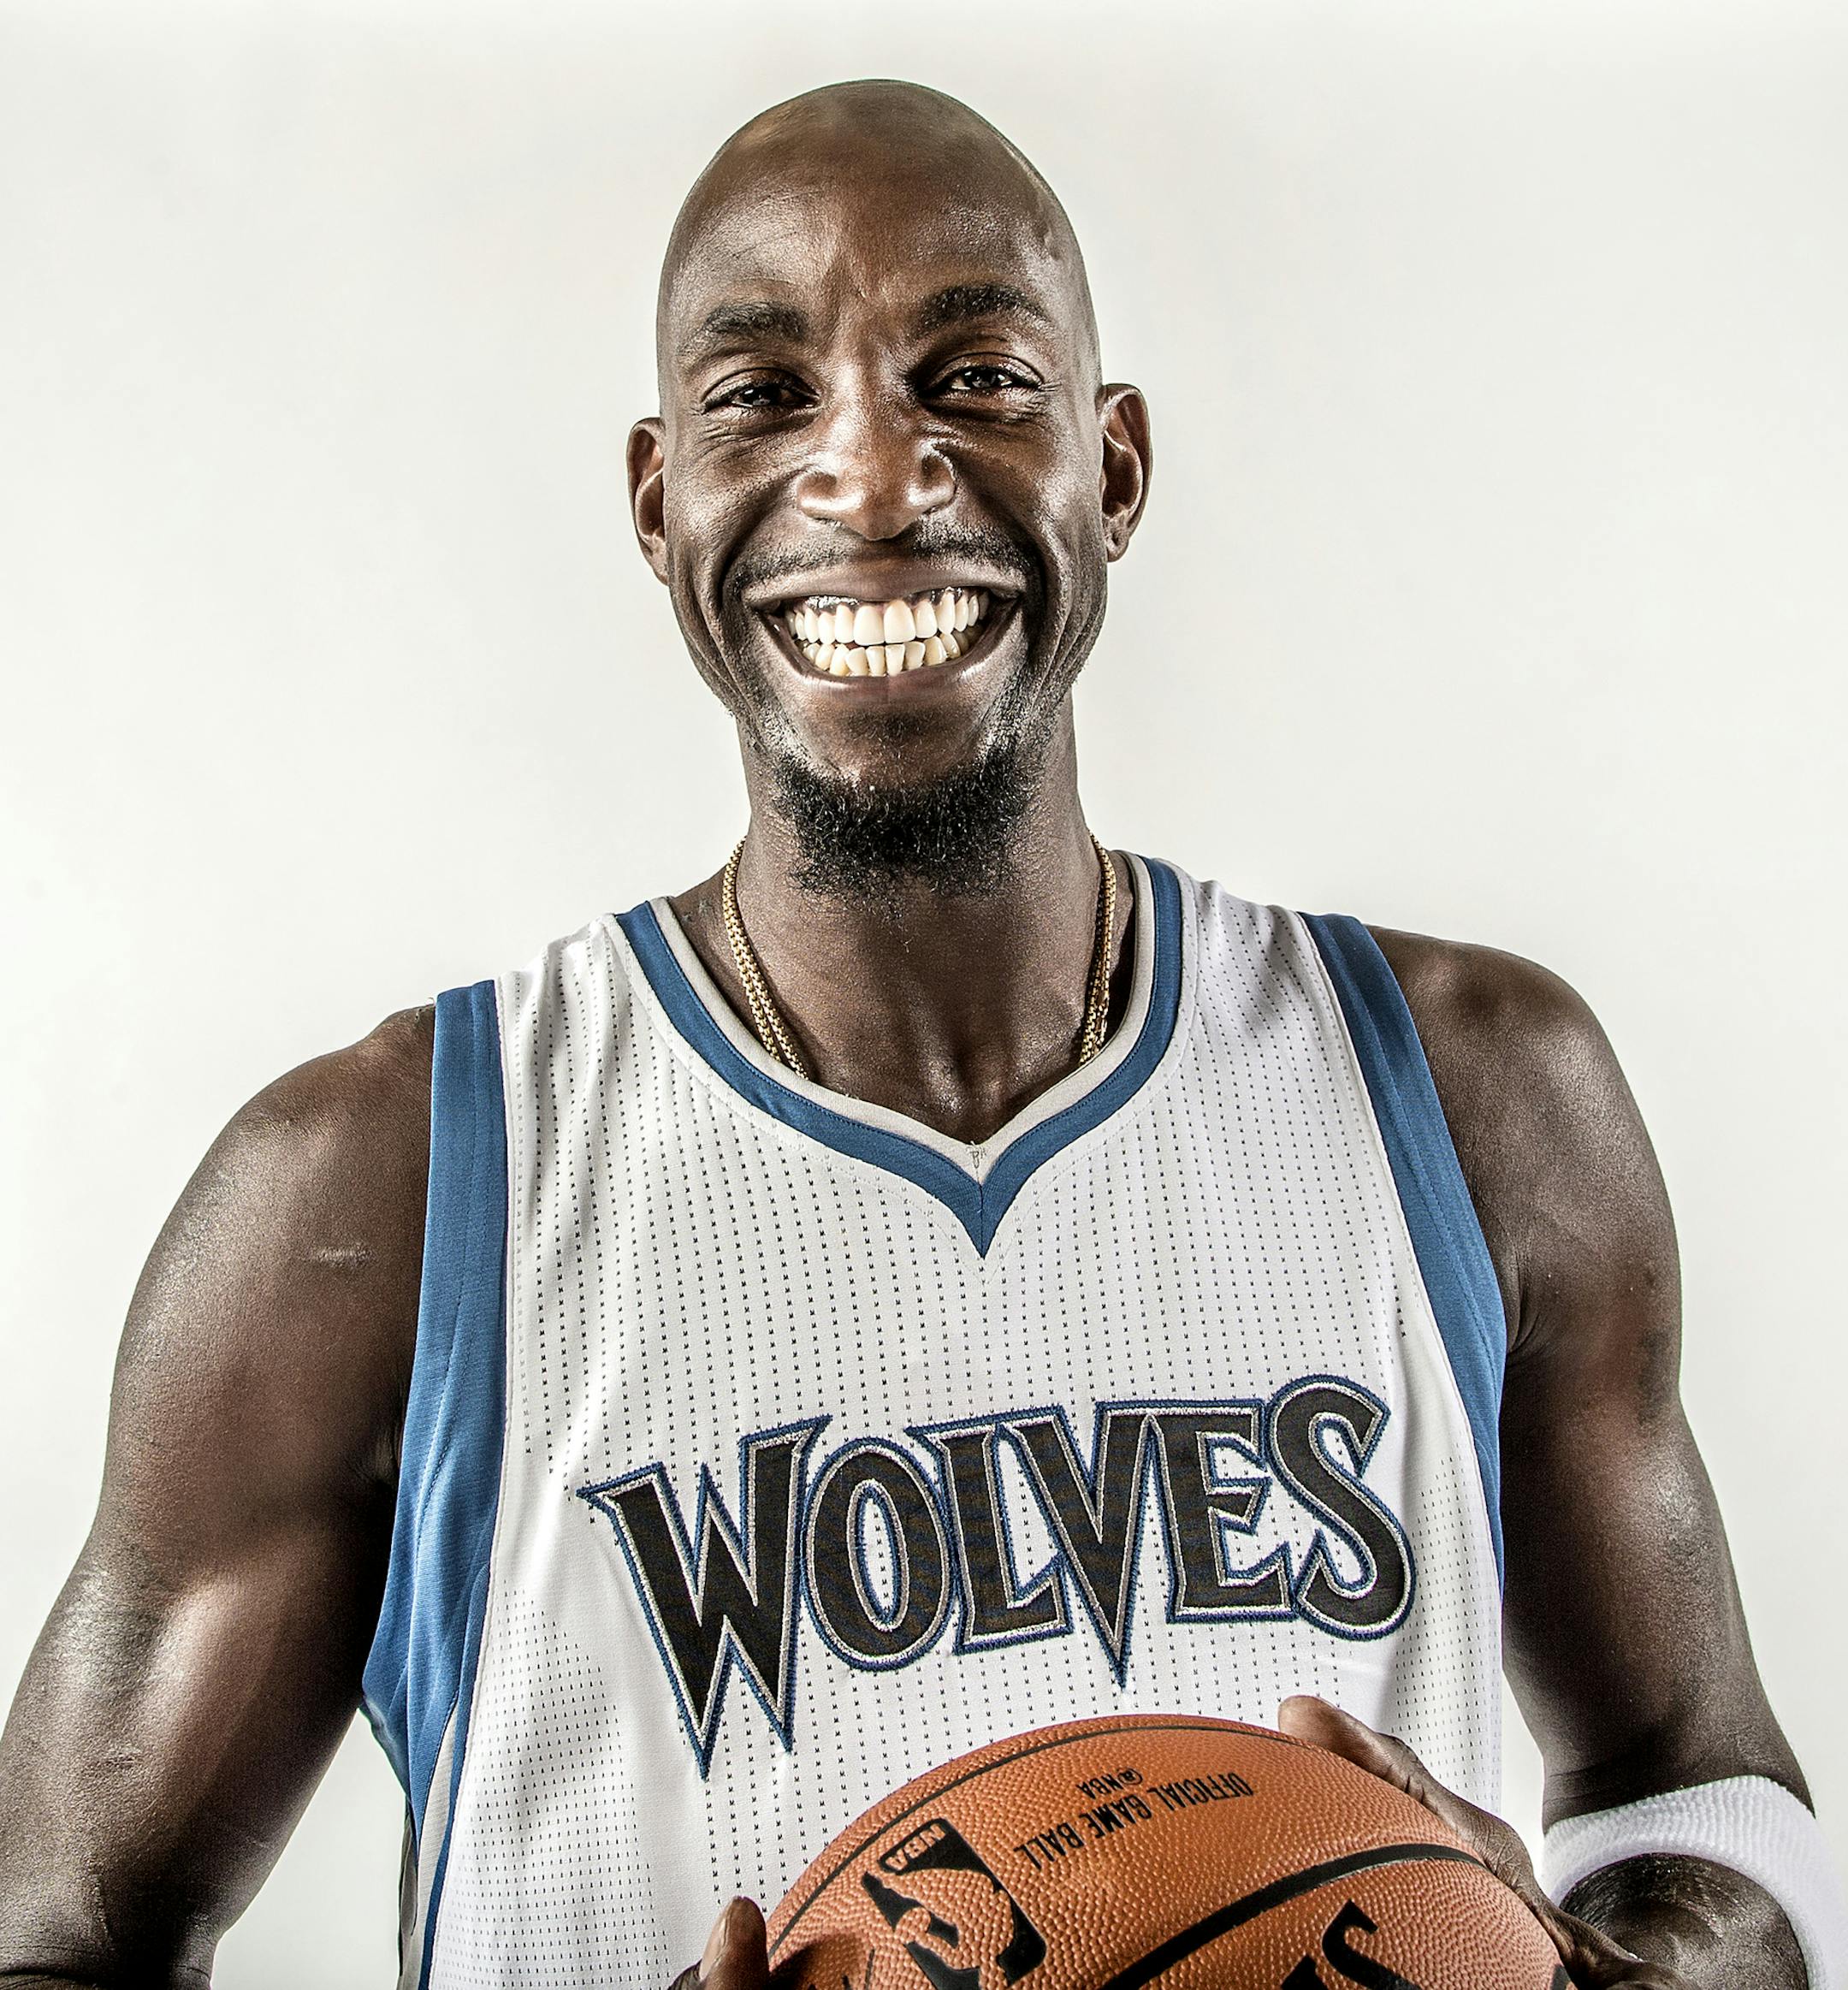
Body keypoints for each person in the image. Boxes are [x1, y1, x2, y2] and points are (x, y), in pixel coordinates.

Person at [0, 78, 1839, 1990]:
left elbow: (1700, 1788)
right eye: (764, 397)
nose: (876, 482)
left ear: (1111, 467)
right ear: (660, 503)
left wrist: (1624, 1970)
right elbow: (52, 1937)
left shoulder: (1478, 1095)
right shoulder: (381, 1188)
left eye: (977, 376)